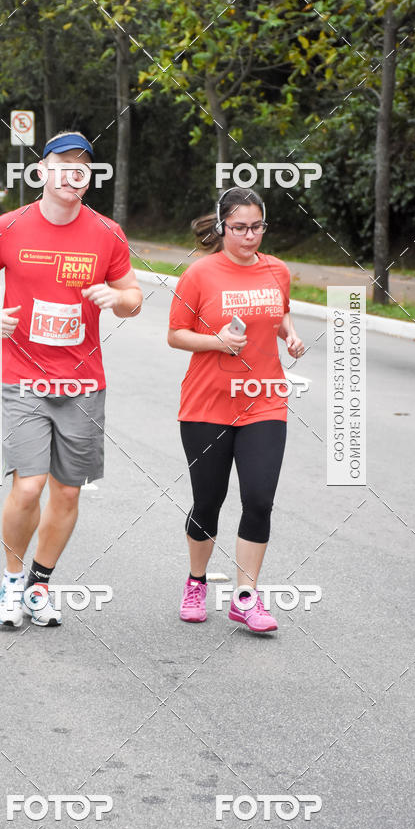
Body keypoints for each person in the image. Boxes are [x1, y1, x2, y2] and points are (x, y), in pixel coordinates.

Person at [0, 131, 142, 627]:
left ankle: (40, 583)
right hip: (24, 380)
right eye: (62, 164)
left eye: (82, 166)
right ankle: (12, 580)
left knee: (66, 491)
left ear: (88, 179)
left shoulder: (107, 234)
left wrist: (115, 299)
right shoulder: (9, 227)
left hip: (83, 384)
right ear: (42, 172)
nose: (72, 173)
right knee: (28, 485)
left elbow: (134, 299)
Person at [168, 187, 304, 633]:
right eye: (240, 228)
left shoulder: (277, 271)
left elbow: (277, 312)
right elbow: (176, 334)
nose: (250, 236)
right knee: (208, 502)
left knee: (259, 501)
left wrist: (290, 335)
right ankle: (196, 581)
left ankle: (246, 597)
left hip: (265, 399)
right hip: (207, 403)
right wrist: (218, 342)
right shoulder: (200, 274)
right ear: (223, 227)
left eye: (257, 227)